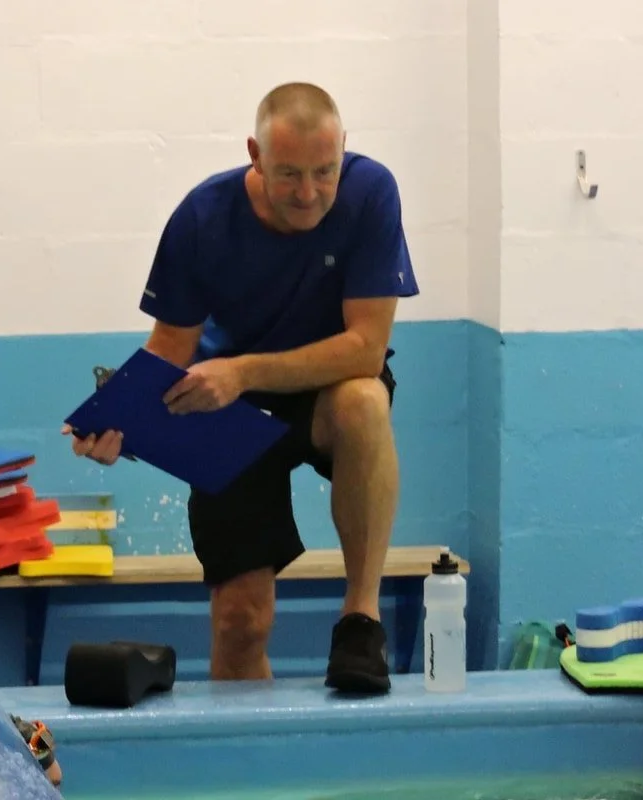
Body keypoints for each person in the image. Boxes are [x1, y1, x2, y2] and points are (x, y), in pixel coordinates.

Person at [62, 81, 419, 694]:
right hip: (229, 412)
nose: (309, 194)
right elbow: (170, 353)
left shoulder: (371, 191)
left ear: (344, 153)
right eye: (288, 175)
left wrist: (244, 371)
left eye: (323, 172)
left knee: (366, 399)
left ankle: (360, 618)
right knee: (240, 620)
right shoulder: (202, 217)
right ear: (254, 155)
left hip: (324, 391)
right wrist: (120, 423)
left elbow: (364, 348)